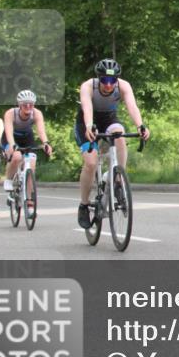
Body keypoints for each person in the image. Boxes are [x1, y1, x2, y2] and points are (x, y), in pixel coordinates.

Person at [74, 59, 150, 229]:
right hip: (87, 121)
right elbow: (87, 107)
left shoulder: (123, 86)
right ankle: (84, 205)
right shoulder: (88, 86)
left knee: (119, 136)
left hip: (109, 117)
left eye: (112, 81)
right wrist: (88, 126)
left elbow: (132, 106)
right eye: (104, 81)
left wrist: (140, 126)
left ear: (117, 80)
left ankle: (117, 178)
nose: (108, 85)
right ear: (98, 78)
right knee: (91, 163)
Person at [2, 90, 53, 218]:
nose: (28, 107)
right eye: (25, 105)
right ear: (19, 105)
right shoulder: (10, 113)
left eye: (31, 104)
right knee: (17, 157)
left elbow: (41, 130)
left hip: (27, 137)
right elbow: (8, 131)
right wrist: (13, 145)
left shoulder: (37, 113)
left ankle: (30, 205)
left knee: (31, 165)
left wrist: (46, 143)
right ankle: (8, 180)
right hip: (11, 137)